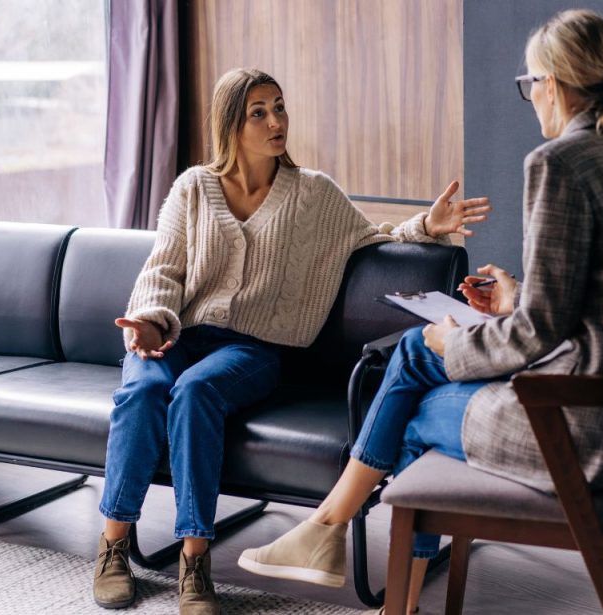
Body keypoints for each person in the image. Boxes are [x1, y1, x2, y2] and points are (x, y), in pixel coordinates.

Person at [238, 9, 603, 615]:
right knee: (415, 356)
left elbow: (539, 335)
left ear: (552, 83)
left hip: (578, 435)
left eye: (531, 85)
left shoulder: (560, 162)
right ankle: (341, 544)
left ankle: (351, 555)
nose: (531, 99)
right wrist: (515, 296)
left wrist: (460, 344)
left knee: (414, 397)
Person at [91, 68, 491, 615]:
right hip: (176, 333)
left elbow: (371, 238)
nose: (276, 121)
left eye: (279, 107)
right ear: (231, 123)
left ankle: (195, 557)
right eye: (259, 112)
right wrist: (151, 322)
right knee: (141, 393)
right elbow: (164, 270)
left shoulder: (312, 194)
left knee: (195, 393)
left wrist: (426, 224)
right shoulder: (192, 187)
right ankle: (113, 544)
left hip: (252, 349)